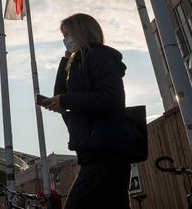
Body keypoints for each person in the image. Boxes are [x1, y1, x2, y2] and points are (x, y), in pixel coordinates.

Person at [37, 13, 136, 209]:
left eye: (68, 34)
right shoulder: (78, 62)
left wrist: (65, 100)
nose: (65, 40)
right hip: (95, 151)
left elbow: (111, 97)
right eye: (63, 36)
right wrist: (65, 62)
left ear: (81, 32)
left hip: (107, 151)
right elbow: (61, 94)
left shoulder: (98, 56)